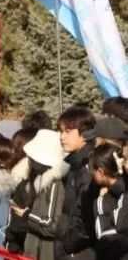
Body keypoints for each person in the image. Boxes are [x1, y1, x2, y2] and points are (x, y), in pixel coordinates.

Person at [10, 129, 69, 260]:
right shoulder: (39, 179)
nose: (29, 160)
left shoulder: (54, 183)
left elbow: (52, 224)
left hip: (46, 251)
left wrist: (27, 215)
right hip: (35, 249)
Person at [55, 106, 98, 260]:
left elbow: (87, 220)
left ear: (85, 134)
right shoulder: (74, 164)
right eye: (61, 131)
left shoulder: (89, 167)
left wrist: (66, 245)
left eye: (68, 131)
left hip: (81, 251)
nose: (62, 137)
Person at [90, 143, 128, 260]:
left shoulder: (119, 194)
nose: (125, 165)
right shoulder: (107, 191)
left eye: (126, 159)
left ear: (101, 172)